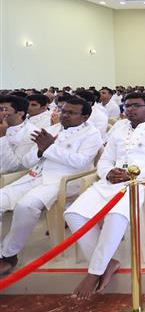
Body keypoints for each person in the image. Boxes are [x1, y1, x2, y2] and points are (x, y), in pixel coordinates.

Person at [63, 92, 145, 298]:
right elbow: (105, 160)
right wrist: (107, 172)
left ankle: (95, 271)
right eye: (127, 105)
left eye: (136, 105)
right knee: (73, 214)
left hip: (141, 183)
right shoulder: (117, 129)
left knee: (116, 215)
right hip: (111, 182)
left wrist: (137, 174)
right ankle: (108, 262)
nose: (129, 109)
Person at [0, 97, 102, 274]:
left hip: (63, 180)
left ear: (85, 117)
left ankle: (9, 254)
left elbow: (80, 162)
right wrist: (40, 150)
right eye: (63, 111)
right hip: (34, 176)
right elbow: (26, 160)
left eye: (71, 113)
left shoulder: (92, 134)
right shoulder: (51, 129)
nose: (65, 115)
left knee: (26, 205)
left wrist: (50, 147)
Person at [0, 95, 38, 173]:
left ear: (20, 113)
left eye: (3, 110)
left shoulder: (31, 133)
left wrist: (2, 137)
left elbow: (13, 167)